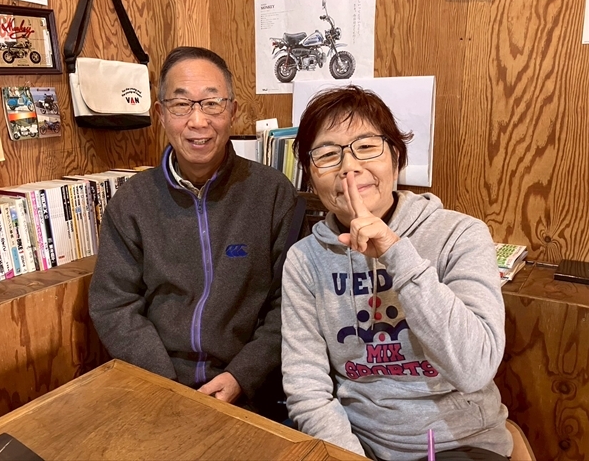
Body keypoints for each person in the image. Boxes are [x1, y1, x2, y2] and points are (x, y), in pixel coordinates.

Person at [281, 85, 512, 460]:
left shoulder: (460, 234)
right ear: (309, 174)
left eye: (366, 146)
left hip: (459, 442)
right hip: (358, 443)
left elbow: (474, 369)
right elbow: (306, 387)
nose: (349, 167)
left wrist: (395, 252)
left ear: (396, 156)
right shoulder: (305, 259)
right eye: (327, 154)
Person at [89, 46, 299, 408]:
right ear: (160, 114)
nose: (198, 121)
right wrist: (163, 383)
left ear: (232, 111)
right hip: (155, 384)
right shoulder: (132, 200)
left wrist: (242, 376)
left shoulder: (273, 193)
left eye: (212, 103)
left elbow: (292, 303)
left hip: (251, 389)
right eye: (181, 104)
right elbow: (114, 304)